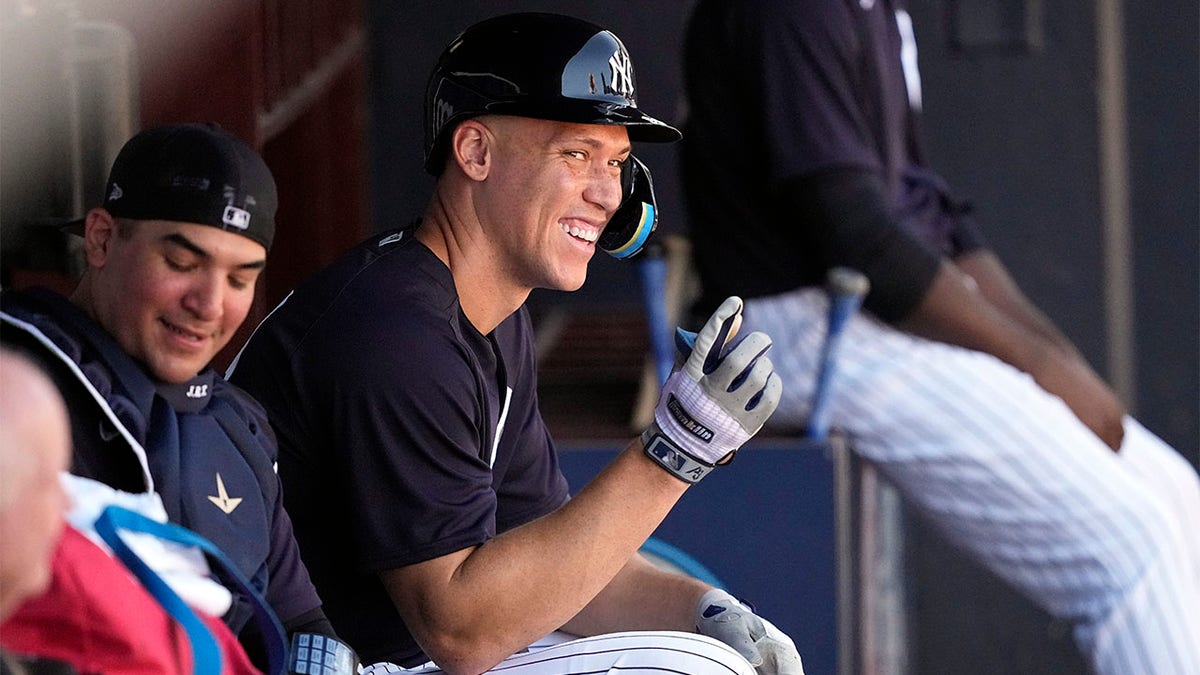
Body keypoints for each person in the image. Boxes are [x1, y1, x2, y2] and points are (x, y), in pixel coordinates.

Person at [228, 12, 801, 675]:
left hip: (403, 656)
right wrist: (672, 454)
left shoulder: (495, 312)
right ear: (475, 153)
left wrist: (712, 611)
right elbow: (462, 631)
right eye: (576, 154)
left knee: (720, 650)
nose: (606, 194)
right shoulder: (395, 331)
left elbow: (554, 571)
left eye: (616, 162)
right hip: (325, 663)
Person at [679, 1, 1200, 674]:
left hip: (875, 306)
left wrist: (1054, 355)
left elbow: (925, 205)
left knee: (1179, 500)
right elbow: (857, 234)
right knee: (1134, 547)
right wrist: (1039, 360)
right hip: (796, 327)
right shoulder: (795, 11)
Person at [0, 123, 351, 668]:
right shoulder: (16, 392)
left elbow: (301, 622)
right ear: (101, 239)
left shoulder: (237, 424)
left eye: (239, 280)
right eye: (182, 264)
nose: (209, 303)